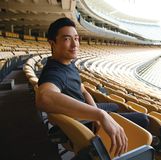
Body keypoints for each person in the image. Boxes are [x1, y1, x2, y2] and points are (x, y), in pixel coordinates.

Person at [36, 17, 149, 157]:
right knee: (143, 118)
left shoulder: (66, 63)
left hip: (88, 113)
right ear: (52, 43)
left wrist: (96, 112)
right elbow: (43, 97)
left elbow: (83, 90)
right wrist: (99, 115)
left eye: (76, 38)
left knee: (114, 106)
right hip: (84, 121)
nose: (74, 44)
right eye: (67, 39)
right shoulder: (55, 72)